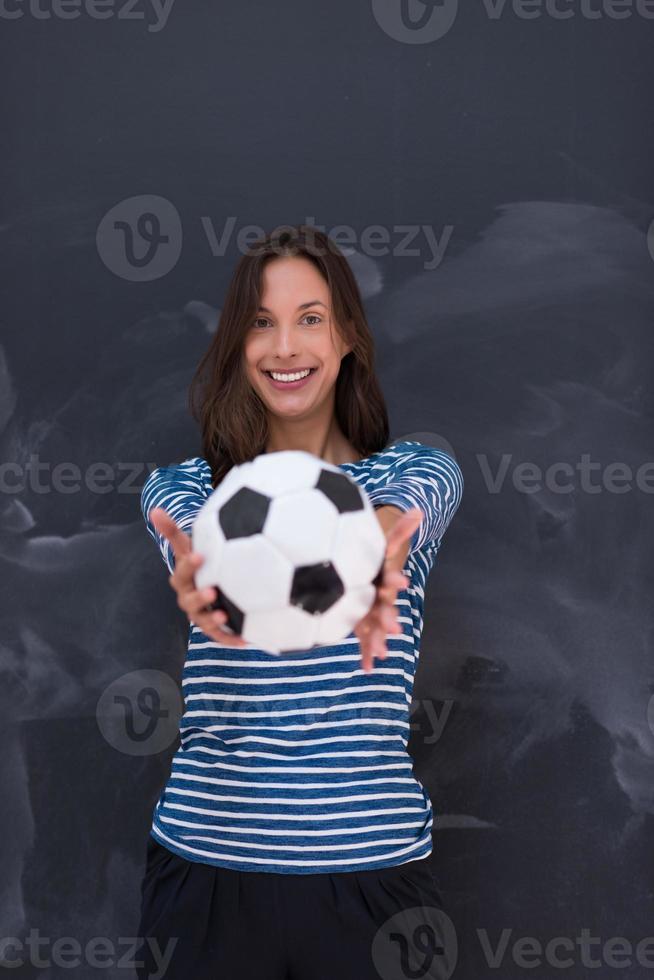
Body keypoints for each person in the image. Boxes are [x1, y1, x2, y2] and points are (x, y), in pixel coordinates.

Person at [135, 225, 464, 980]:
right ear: (236, 344)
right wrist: (204, 574)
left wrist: (374, 545)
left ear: (348, 335)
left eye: (310, 317)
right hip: (207, 879)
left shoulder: (414, 472)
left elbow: (408, 505)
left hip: (375, 886)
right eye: (261, 321)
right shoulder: (188, 490)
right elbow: (191, 542)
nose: (285, 346)